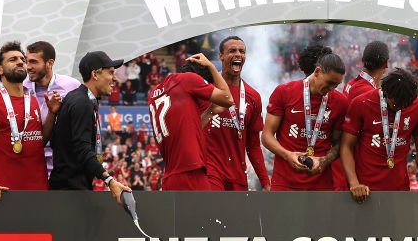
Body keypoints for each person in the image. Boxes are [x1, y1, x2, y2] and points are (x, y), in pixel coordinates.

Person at [340, 69, 418, 199]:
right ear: (386, 93)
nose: (401, 107)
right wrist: (354, 183)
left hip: (399, 190)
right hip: (365, 190)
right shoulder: (361, 103)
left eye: (406, 104)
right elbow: (346, 146)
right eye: (396, 104)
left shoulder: (417, 106)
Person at [49, 50, 132, 202]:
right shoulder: (82, 103)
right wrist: (110, 181)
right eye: (111, 72)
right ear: (95, 74)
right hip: (71, 192)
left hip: (69, 187)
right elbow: (82, 149)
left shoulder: (78, 98)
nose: (115, 79)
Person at [263, 51, 348, 191]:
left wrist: (324, 161)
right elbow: (266, 136)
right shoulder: (284, 92)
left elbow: (339, 143)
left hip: (321, 182)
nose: (332, 89)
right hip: (285, 181)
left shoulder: (341, 102)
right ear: (317, 71)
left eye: (336, 85)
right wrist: (288, 155)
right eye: (330, 83)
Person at [149, 54, 234, 190]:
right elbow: (228, 99)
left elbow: (189, 128)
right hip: (190, 173)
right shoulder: (189, 79)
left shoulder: (156, 92)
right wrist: (211, 66)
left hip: (170, 176)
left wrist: (210, 111)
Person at [0, 41, 60, 191]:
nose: (21, 62)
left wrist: (52, 113)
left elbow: (39, 140)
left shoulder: (32, 99)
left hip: (39, 189)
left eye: (22, 59)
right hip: (5, 190)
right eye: (13, 59)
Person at [204, 36, 270, 191]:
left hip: (238, 176)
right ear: (221, 56)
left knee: (236, 216)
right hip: (209, 173)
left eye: (242, 51)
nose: (238, 54)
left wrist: (266, 183)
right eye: (232, 51)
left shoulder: (253, 97)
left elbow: (253, 145)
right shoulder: (205, 89)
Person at [23, 40, 81, 177]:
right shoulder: (21, 88)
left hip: (62, 165)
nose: (28, 67)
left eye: (33, 62)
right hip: (31, 164)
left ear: (50, 63)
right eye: (27, 61)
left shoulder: (72, 86)